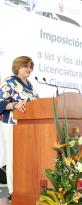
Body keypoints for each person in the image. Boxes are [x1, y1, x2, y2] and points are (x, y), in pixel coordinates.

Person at [0, 56, 39, 196]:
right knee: (13, 158)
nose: (29, 68)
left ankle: (26, 187)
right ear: (18, 66)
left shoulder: (29, 85)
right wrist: (15, 105)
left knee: (27, 158)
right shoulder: (9, 82)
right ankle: (13, 190)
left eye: (31, 66)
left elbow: (36, 104)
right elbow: (0, 103)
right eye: (26, 65)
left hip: (29, 127)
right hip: (12, 125)